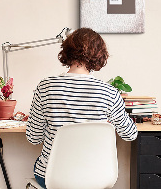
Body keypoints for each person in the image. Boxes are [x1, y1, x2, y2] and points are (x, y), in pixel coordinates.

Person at [26, 27, 138, 189]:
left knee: (42, 163)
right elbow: (130, 134)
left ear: (67, 52)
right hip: (96, 178)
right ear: (99, 55)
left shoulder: (46, 87)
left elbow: (34, 138)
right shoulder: (109, 93)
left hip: (53, 179)